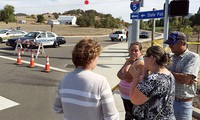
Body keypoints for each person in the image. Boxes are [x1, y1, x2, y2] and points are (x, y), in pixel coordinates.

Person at [53, 39, 119, 120]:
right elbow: (111, 116)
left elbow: (57, 108)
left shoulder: (64, 80)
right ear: (92, 59)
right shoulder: (100, 81)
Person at [129, 46, 176, 120]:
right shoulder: (168, 74)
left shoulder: (152, 80)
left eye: (145, 56)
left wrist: (135, 78)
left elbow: (134, 100)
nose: (143, 59)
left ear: (152, 58)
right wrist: (145, 75)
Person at [164, 31, 200, 120]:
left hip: (183, 104)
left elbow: (185, 79)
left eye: (172, 44)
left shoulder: (193, 57)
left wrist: (165, 71)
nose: (170, 46)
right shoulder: (171, 56)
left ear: (181, 43)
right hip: (168, 101)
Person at [117, 42, 144, 120]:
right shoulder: (130, 61)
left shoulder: (140, 62)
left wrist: (129, 62)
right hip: (125, 96)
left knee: (135, 116)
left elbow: (128, 75)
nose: (133, 52)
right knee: (128, 114)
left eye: (136, 51)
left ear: (140, 52)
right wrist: (123, 77)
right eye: (131, 50)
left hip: (134, 96)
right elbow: (118, 74)